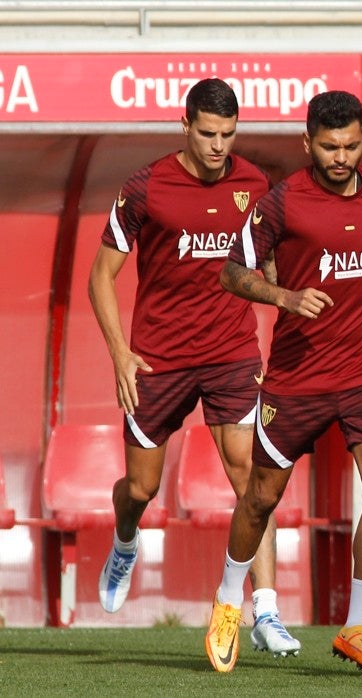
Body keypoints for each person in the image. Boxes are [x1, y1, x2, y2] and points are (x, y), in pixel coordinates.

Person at [204, 90, 362, 674]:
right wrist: (283, 296)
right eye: (329, 147)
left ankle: (358, 627)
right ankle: (228, 600)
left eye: (350, 145)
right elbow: (229, 272)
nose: (341, 156)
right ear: (308, 144)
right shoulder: (282, 204)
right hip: (297, 378)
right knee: (261, 498)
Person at [88, 77, 300, 657]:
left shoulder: (255, 183)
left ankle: (265, 610)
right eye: (207, 133)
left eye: (228, 135)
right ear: (185, 126)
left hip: (231, 353)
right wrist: (119, 353)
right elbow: (98, 277)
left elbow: (274, 263)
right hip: (157, 359)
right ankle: (126, 540)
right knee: (140, 486)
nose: (218, 146)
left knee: (253, 480)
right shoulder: (147, 185)